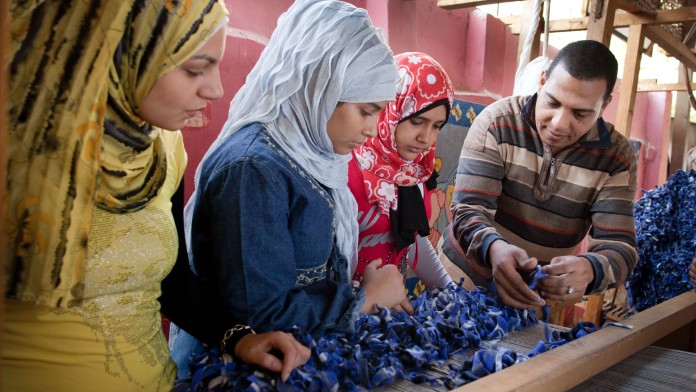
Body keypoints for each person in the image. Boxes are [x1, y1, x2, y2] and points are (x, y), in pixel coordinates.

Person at [4, 1, 307, 390]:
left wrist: (239, 337)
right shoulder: (15, 152)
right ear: (115, 51)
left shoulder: (162, 150)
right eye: (195, 68)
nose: (215, 88)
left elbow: (172, 283)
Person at [167, 0, 412, 375]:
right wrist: (364, 299)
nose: (370, 128)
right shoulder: (255, 169)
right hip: (232, 373)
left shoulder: (316, 155)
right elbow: (259, 313)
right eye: (365, 111)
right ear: (319, 87)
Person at [440, 40, 638, 310]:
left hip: (534, 299)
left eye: (580, 113)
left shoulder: (616, 158)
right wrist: (495, 249)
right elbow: (468, 212)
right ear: (542, 81)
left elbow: (620, 249)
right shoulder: (497, 123)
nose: (559, 123)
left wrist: (590, 270)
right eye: (553, 102)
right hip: (460, 281)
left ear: (603, 106)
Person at [349, 52, 453, 292]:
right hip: (340, 317)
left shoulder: (415, 173)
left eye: (437, 126)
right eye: (416, 121)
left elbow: (414, 242)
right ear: (390, 109)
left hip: (387, 317)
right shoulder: (348, 168)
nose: (425, 138)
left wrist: (451, 294)